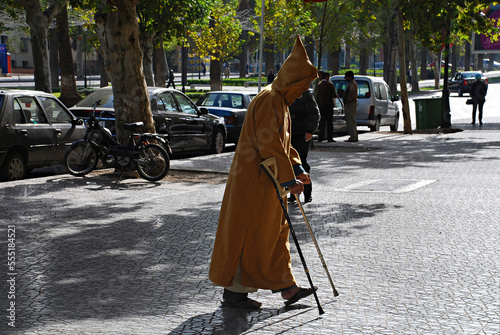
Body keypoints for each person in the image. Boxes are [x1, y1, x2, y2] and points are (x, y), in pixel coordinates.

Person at [209, 36, 318, 309]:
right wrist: (289, 178)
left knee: (273, 233)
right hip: (254, 182)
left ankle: (287, 287)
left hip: (266, 181)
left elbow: (284, 144)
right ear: (293, 81)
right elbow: (268, 143)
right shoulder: (270, 100)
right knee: (250, 234)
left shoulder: (279, 101)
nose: (303, 92)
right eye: (302, 86)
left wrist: (297, 167)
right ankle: (236, 293)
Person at [289, 89, 320, 204]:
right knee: (291, 163)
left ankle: (307, 194)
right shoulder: (287, 92)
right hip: (290, 133)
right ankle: (293, 193)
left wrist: (309, 130)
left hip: (302, 134)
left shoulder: (305, 94)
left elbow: (315, 113)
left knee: (301, 163)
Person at [316, 72, 338, 142]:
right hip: (329, 105)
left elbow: (317, 96)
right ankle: (329, 137)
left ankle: (320, 137)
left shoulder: (319, 85)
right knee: (329, 122)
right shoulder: (330, 85)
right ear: (327, 77)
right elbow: (333, 95)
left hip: (321, 105)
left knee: (322, 122)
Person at [343, 71, 358, 142]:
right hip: (351, 103)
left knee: (350, 120)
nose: (345, 78)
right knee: (352, 120)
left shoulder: (352, 84)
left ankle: (353, 136)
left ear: (349, 77)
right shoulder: (352, 83)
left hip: (351, 103)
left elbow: (351, 92)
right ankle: (354, 136)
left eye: (346, 77)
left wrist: (348, 100)